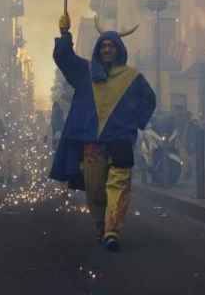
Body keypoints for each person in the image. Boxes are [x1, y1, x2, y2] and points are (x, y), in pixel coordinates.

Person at [50, 13, 156, 253]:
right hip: (92, 143)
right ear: (99, 50)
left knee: (118, 186)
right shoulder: (85, 72)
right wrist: (65, 34)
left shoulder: (133, 77)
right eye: (104, 45)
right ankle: (101, 226)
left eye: (112, 45)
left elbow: (149, 99)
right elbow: (63, 58)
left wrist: (134, 121)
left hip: (120, 140)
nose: (108, 49)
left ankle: (112, 231)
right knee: (95, 189)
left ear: (119, 49)